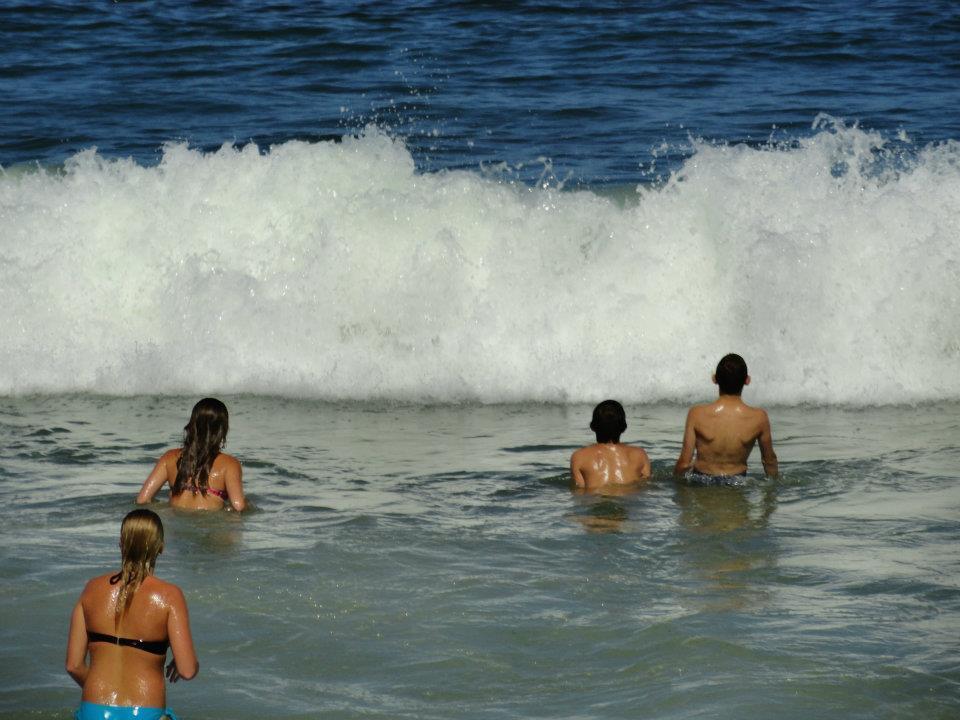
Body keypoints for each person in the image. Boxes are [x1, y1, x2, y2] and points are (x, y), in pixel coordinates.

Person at [65, 509, 198, 720]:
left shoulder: (91, 589)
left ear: (121, 543)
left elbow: (73, 665)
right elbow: (188, 670)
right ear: (161, 547)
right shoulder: (170, 596)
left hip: (95, 710)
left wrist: (105, 688)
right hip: (146, 712)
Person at [674, 353, 778, 484]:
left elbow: (684, 464)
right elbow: (769, 461)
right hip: (737, 484)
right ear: (747, 380)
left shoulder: (697, 414)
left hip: (701, 484)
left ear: (714, 379)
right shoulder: (759, 418)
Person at [137, 398, 246, 512]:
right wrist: (248, 503)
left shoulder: (169, 458)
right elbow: (239, 507)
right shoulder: (230, 464)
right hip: (208, 525)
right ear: (222, 430)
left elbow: (142, 500)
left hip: (176, 522)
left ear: (192, 425)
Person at [570, 400, 651, 491]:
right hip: (628, 502)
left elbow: (579, 491)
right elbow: (645, 486)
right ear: (624, 427)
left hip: (596, 501)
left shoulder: (579, 457)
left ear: (592, 427)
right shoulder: (639, 454)